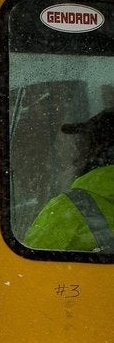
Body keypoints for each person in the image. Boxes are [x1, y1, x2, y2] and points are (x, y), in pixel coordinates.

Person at [24, 107, 114, 251]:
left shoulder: (68, 210)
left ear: (97, 150)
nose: (75, 160)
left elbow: (24, 262)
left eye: (81, 146)